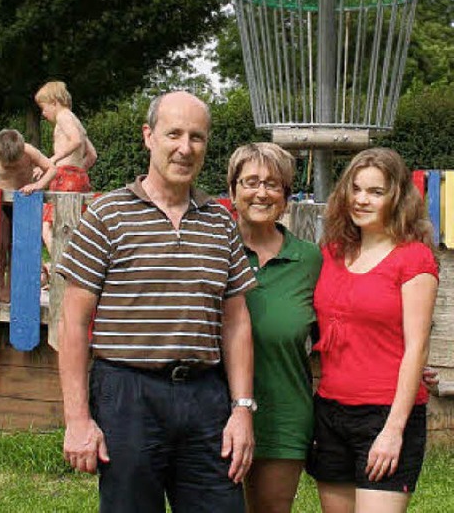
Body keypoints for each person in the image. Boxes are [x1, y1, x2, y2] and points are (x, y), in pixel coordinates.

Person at [57, 91, 257, 513]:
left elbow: (236, 322)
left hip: (206, 397)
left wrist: (241, 410)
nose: (185, 148)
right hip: (128, 394)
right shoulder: (107, 215)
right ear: (149, 137)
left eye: (197, 137)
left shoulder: (220, 220)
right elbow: (73, 324)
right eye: (174, 134)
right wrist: (77, 419)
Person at [307, 147, 439, 512]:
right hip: (330, 412)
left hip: (386, 414)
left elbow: (417, 347)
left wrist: (394, 430)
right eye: (356, 188)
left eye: (375, 192)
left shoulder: (414, 258)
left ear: (396, 198)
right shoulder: (331, 252)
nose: (361, 200)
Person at [227, 142, 322, 513]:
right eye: (251, 181)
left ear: (286, 196)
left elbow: (345, 324)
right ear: (232, 189)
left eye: (273, 184)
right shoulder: (214, 250)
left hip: (282, 412)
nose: (262, 192)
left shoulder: (309, 260)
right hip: (211, 412)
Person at [0, 129, 57, 299]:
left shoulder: (29, 151)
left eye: (14, 162)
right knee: (0, 247)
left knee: (18, 247)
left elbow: (51, 168)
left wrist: (38, 185)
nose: (9, 166)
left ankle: (12, 287)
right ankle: (0, 286)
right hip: (2, 205)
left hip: (24, 205)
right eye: (5, 163)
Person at [35, 80, 97, 259]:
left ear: (54, 102)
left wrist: (52, 161)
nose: (43, 113)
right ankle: (74, 262)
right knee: (72, 225)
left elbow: (75, 140)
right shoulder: (77, 121)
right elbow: (92, 155)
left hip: (64, 177)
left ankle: (61, 262)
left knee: (46, 225)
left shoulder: (63, 116)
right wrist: (77, 171)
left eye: (44, 107)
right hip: (78, 176)